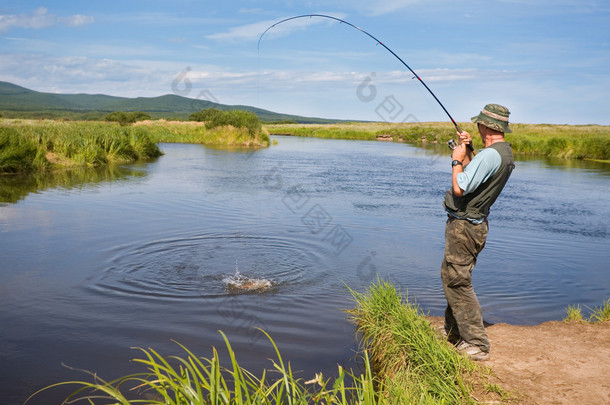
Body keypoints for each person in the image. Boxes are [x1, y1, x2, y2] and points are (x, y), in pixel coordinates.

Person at [441, 103, 515, 361]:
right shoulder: (501, 152)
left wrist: (456, 159)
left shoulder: (491, 155)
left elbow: (461, 186)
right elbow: (477, 174)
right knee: (452, 275)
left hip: (465, 228)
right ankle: (454, 330)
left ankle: (476, 344)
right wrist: (470, 149)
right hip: (473, 225)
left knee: (458, 280)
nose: (477, 126)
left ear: (487, 126)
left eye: (479, 123)